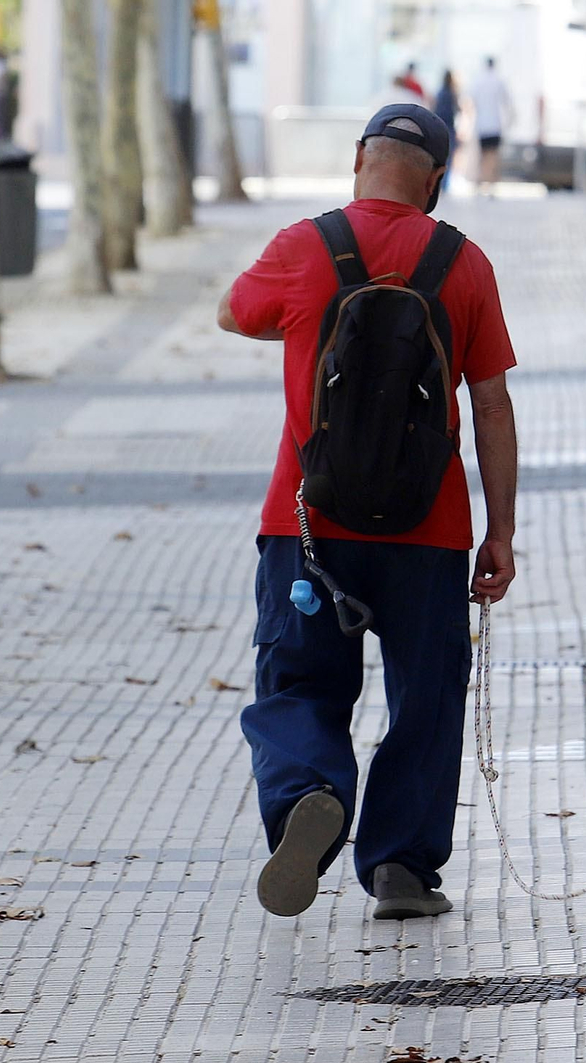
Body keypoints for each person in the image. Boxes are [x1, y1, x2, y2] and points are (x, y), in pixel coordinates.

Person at [217, 104, 520, 921]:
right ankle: (400, 867)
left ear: (359, 157)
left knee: (299, 683)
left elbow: (232, 313)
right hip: (429, 529)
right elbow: (491, 403)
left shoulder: (301, 247)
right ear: (437, 180)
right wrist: (501, 532)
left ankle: (309, 793)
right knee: (426, 697)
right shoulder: (464, 263)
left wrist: (308, 324)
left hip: (306, 522)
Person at [469, 56, 512, 194]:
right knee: (493, 156)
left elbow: (471, 101)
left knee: (482, 156)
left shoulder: (478, 80)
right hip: (495, 125)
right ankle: (491, 184)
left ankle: (480, 184)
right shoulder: (499, 80)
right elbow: (507, 102)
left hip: (481, 124)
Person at [433, 70, 459, 192]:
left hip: (439, 126)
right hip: (449, 128)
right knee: (448, 158)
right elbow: (456, 111)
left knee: (439, 157)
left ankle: (439, 183)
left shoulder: (439, 93)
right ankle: (444, 185)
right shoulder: (452, 94)